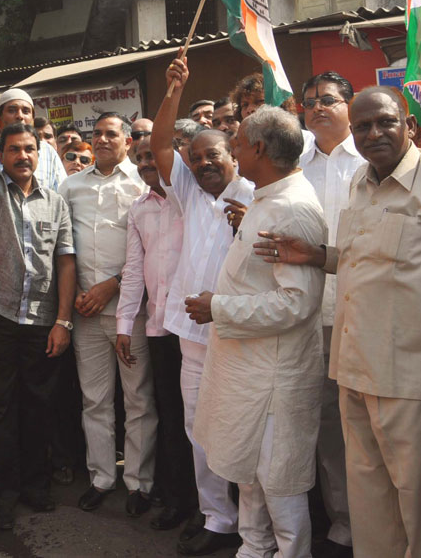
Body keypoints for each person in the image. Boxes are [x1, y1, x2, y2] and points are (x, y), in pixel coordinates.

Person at [259, 87, 421, 558]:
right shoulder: (361, 181)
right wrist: (318, 256)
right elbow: (370, 260)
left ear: (409, 126)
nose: (373, 133)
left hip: (413, 381)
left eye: (385, 122)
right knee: (370, 508)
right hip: (353, 370)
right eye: (363, 126)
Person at [186, 105, 326, 558]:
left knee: (278, 482)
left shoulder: (292, 208)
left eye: (239, 144)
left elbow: (297, 304)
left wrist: (219, 307)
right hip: (248, 372)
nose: (234, 151)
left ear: (260, 149)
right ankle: (253, 547)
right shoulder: (267, 198)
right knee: (248, 472)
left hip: (274, 377)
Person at [152, 58, 249, 556]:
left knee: (245, 431)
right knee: (199, 431)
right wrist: (173, 91)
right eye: (198, 157)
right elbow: (161, 143)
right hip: (193, 338)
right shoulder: (187, 191)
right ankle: (218, 518)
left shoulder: (256, 195)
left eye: (214, 154)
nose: (205, 162)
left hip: (242, 337)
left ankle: (258, 529)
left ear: (235, 156)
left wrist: (250, 223)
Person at [0, 121, 76, 531]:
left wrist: (63, 320)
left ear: (39, 153)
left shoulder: (56, 202)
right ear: (1, 155)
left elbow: (65, 261)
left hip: (42, 318)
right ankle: (2, 498)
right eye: (13, 149)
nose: (23, 156)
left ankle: (35, 486)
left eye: (29, 148)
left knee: (39, 406)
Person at [59, 113, 156, 516]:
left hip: (129, 312)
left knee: (138, 400)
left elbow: (152, 249)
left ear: (127, 141)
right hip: (84, 312)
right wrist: (79, 295)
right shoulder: (70, 186)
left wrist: (111, 286)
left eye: (110, 134)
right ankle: (102, 477)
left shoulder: (141, 185)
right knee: (94, 400)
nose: (101, 140)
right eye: (95, 134)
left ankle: (139, 483)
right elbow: (63, 246)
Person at [115, 134, 198, 531]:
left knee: (203, 419)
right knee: (170, 415)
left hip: (198, 327)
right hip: (159, 328)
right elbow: (133, 270)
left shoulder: (192, 197)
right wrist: (124, 324)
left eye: (154, 155)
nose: (148, 162)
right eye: (141, 157)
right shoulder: (138, 209)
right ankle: (178, 498)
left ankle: (211, 507)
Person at [296, 71, 362, 558]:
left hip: (366, 312)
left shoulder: (374, 158)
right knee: (327, 427)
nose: (319, 108)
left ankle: (383, 525)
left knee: (372, 423)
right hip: (311, 314)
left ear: (351, 105)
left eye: (330, 100)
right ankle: (343, 525)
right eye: (311, 101)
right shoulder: (294, 166)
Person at [0, 89, 67, 190]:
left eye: (26, 111)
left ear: (32, 121)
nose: (20, 116)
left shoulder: (47, 151)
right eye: (12, 110)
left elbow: (62, 193)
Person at [230, 72, 298, 120]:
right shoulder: (237, 140)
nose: (250, 109)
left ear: (280, 105)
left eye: (259, 101)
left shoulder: (304, 139)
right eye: (245, 105)